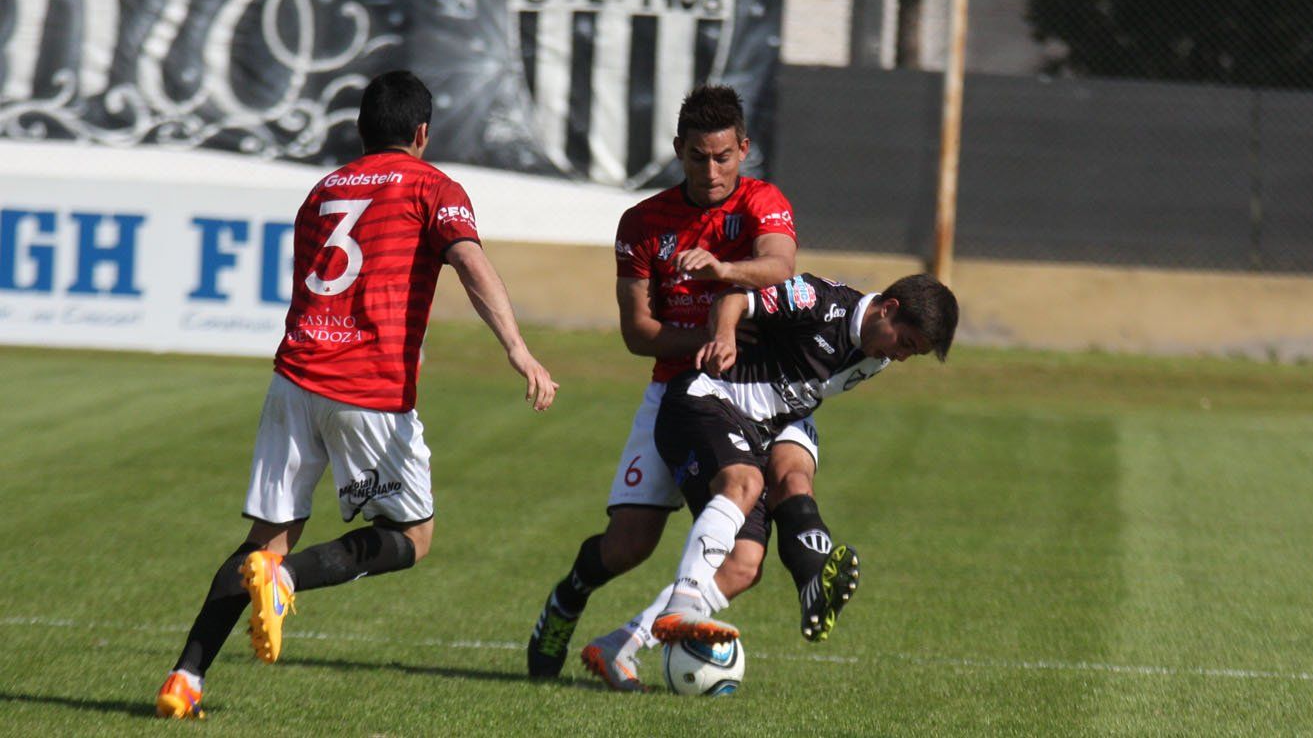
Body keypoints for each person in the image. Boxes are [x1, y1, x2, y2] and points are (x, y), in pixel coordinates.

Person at [155, 70, 558, 720]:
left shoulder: (323, 190)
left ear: (361, 129)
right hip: (365, 386)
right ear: (422, 132)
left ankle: (185, 678)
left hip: (294, 377)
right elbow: (469, 260)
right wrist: (517, 347)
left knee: (266, 538)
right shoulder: (433, 186)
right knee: (412, 536)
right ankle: (286, 581)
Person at [527, 84, 823, 691]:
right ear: (677, 150)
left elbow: (780, 265)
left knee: (744, 559)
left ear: (744, 149)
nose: (710, 172)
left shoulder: (762, 202)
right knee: (629, 544)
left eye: (723, 157)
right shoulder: (642, 223)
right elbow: (638, 333)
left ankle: (628, 641)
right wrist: (710, 337)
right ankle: (567, 599)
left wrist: (723, 271)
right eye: (697, 157)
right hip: (674, 394)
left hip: (752, 399)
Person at [648, 273, 957, 647]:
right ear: (887, 309)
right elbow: (735, 299)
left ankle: (621, 645)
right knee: (742, 484)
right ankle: (682, 603)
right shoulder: (819, 301)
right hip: (709, 396)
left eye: (913, 353)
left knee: (745, 563)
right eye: (905, 343)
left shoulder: (877, 357)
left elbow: (800, 394)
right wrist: (725, 336)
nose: (901, 356)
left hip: (765, 426)